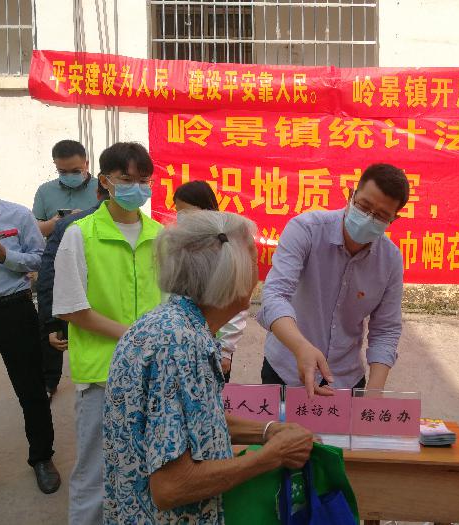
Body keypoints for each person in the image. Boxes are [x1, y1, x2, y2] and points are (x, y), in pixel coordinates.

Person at [104, 210, 313, 523]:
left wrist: (267, 431)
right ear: (234, 272)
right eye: (254, 259)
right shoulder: (179, 344)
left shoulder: (175, 326)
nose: (259, 271)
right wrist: (271, 457)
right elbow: (172, 486)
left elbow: (193, 422)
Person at [53, 142, 162, 524]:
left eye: (144, 180)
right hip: (103, 373)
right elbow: (71, 308)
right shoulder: (80, 235)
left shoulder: (161, 236)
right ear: (105, 181)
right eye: (126, 179)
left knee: (150, 463)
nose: (137, 188)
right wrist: (133, 334)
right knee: (95, 471)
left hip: (152, 370)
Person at [258, 163, 408, 397]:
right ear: (351, 195)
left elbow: (386, 329)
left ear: (393, 219)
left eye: (380, 216)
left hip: (345, 379)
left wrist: (373, 393)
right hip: (287, 369)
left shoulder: (390, 260)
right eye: (364, 206)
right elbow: (275, 295)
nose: (368, 218)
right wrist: (300, 346)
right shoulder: (306, 229)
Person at [0, 154, 60, 496]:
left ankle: (42, 458)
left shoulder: (17, 215)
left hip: (13, 309)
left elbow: (41, 259)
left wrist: (7, 257)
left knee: (31, 389)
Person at [36, 180, 109, 399]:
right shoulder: (73, 227)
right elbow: (50, 277)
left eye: (143, 181)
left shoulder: (153, 232)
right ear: (102, 188)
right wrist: (51, 322)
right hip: (87, 328)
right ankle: (50, 384)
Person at [174, 180, 248, 382]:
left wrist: (226, 350)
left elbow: (236, 304)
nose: (181, 217)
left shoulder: (226, 245)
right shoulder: (181, 245)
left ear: (207, 209)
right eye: (178, 211)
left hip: (214, 345)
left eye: (187, 211)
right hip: (181, 343)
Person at [33, 140, 99, 237]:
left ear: (87, 164)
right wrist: (56, 223)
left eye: (76, 171)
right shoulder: (44, 191)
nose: (69, 175)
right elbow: (34, 231)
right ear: (56, 165)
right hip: (56, 246)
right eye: (63, 172)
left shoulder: (103, 188)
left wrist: (86, 220)